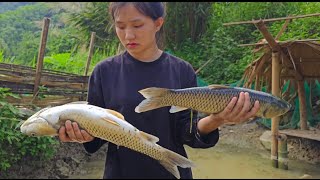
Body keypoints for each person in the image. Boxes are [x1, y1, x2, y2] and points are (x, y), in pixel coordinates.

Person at [58, 2, 260, 179]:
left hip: (170, 173)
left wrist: (218, 119)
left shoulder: (181, 70)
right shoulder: (104, 72)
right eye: (120, 26)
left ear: (158, 23)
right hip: (120, 172)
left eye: (137, 25)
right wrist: (82, 134)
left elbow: (187, 133)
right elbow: (96, 136)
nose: (128, 35)